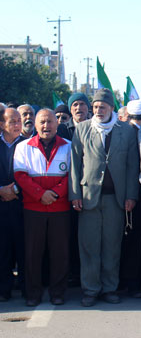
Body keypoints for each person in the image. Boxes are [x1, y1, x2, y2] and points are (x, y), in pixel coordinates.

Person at [69, 88, 140, 307]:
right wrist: (75, 194)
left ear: (111, 108)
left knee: (112, 246)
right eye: (96, 107)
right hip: (89, 197)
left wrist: (131, 195)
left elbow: (132, 166)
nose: (98, 110)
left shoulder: (126, 131)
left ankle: (109, 288)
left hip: (115, 200)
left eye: (103, 107)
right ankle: (90, 289)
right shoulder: (82, 129)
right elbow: (74, 164)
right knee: (89, 246)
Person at [13, 109, 71, 306]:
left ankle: (58, 292)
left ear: (57, 124)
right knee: (32, 253)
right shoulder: (23, 147)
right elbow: (20, 176)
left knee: (60, 253)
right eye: (42, 122)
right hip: (33, 208)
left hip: (60, 208)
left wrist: (54, 193)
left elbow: (72, 175)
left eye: (50, 122)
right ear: (36, 125)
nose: (46, 126)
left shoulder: (69, 146)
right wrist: (40, 194)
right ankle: (33, 293)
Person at [119, 99, 141, 298]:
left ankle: (138, 281)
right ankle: (133, 282)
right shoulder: (131, 134)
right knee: (134, 238)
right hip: (133, 196)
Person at [57, 92, 92, 288]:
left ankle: (85, 274)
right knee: (68, 233)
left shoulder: (95, 127)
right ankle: (70, 273)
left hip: (90, 190)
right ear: (70, 109)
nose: (79, 108)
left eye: (82, 104)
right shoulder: (62, 129)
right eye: (75, 105)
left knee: (87, 236)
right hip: (66, 189)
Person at [0, 108, 26, 301]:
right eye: (12, 121)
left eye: (19, 120)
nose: (18, 125)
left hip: (21, 204)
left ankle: (27, 289)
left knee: (24, 249)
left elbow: (32, 172)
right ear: (2, 124)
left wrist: (15, 189)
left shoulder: (27, 145)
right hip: (1, 204)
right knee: (3, 249)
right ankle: (4, 290)